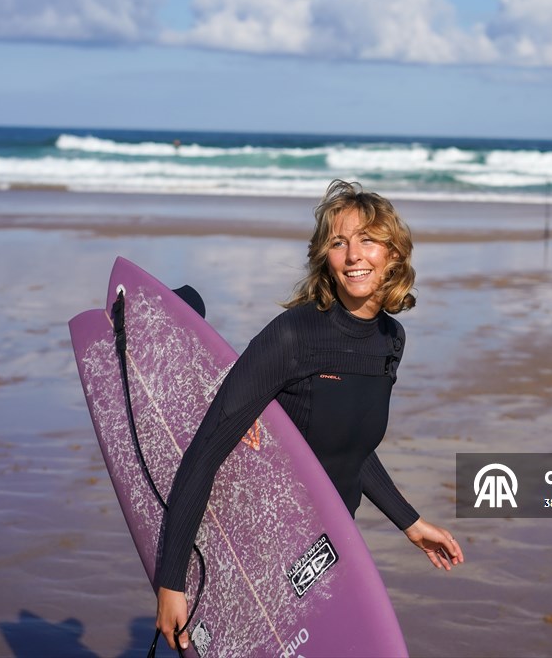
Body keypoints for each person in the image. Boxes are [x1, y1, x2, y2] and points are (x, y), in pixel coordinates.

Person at [154, 180, 464, 651]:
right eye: (339, 242)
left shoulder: (390, 341)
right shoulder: (293, 335)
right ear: (325, 257)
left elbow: (347, 446)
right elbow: (206, 449)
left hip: (326, 551)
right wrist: (170, 583)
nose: (354, 255)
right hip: (265, 545)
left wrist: (410, 522)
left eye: (368, 240)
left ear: (394, 254)